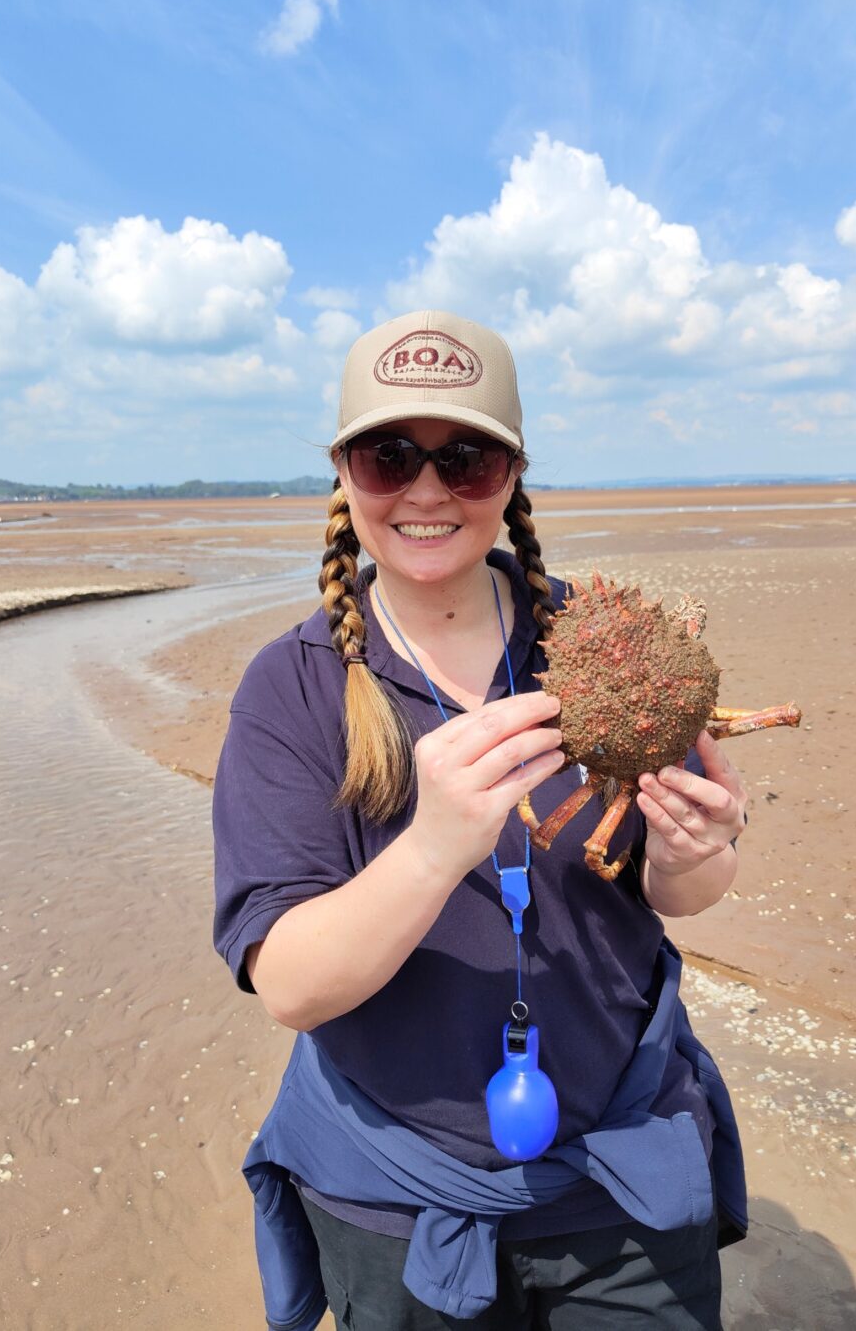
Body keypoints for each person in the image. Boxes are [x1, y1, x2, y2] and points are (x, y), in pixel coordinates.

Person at [213, 311, 749, 1329]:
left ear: (509, 473)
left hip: (618, 1177)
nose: (424, 489)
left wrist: (696, 850)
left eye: (463, 458)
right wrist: (430, 846)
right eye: (387, 456)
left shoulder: (604, 643)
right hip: (391, 1201)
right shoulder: (292, 688)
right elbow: (285, 982)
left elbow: (678, 893)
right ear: (342, 470)